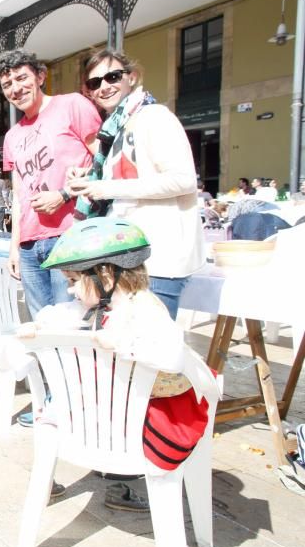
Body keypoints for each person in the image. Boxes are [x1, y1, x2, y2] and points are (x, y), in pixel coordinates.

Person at [17, 217, 214, 508]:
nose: (70, 290)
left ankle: (67, 466)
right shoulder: (101, 304)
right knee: (58, 401)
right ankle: (51, 467)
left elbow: (172, 356)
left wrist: (125, 344)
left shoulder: (144, 308)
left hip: (155, 414)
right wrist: (38, 328)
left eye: (73, 281)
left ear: (106, 276)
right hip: (120, 410)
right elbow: (60, 313)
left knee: (62, 403)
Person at [65, 49, 204, 319]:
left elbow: (183, 179)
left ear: (132, 77)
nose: (104, 86)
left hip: (161, 259)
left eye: (112, 77)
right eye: (95, 83)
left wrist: (106, 188)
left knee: (152, 349)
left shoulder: (154, 117)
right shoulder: (117, 127)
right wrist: (90, 178)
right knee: (135, 351)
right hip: (132, 257)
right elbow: (129, 175)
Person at [0, 49, 101, 319]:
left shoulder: (72, 105)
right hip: (30, 245)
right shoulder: (12, 136)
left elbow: (105, 164)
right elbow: (18, 197)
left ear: (40, 76)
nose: (16, 89)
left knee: (72, 322)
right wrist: (14, 247)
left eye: (22, 78)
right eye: (7, 85)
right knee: (42, 324)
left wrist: (64, 194)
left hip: (71, 234)